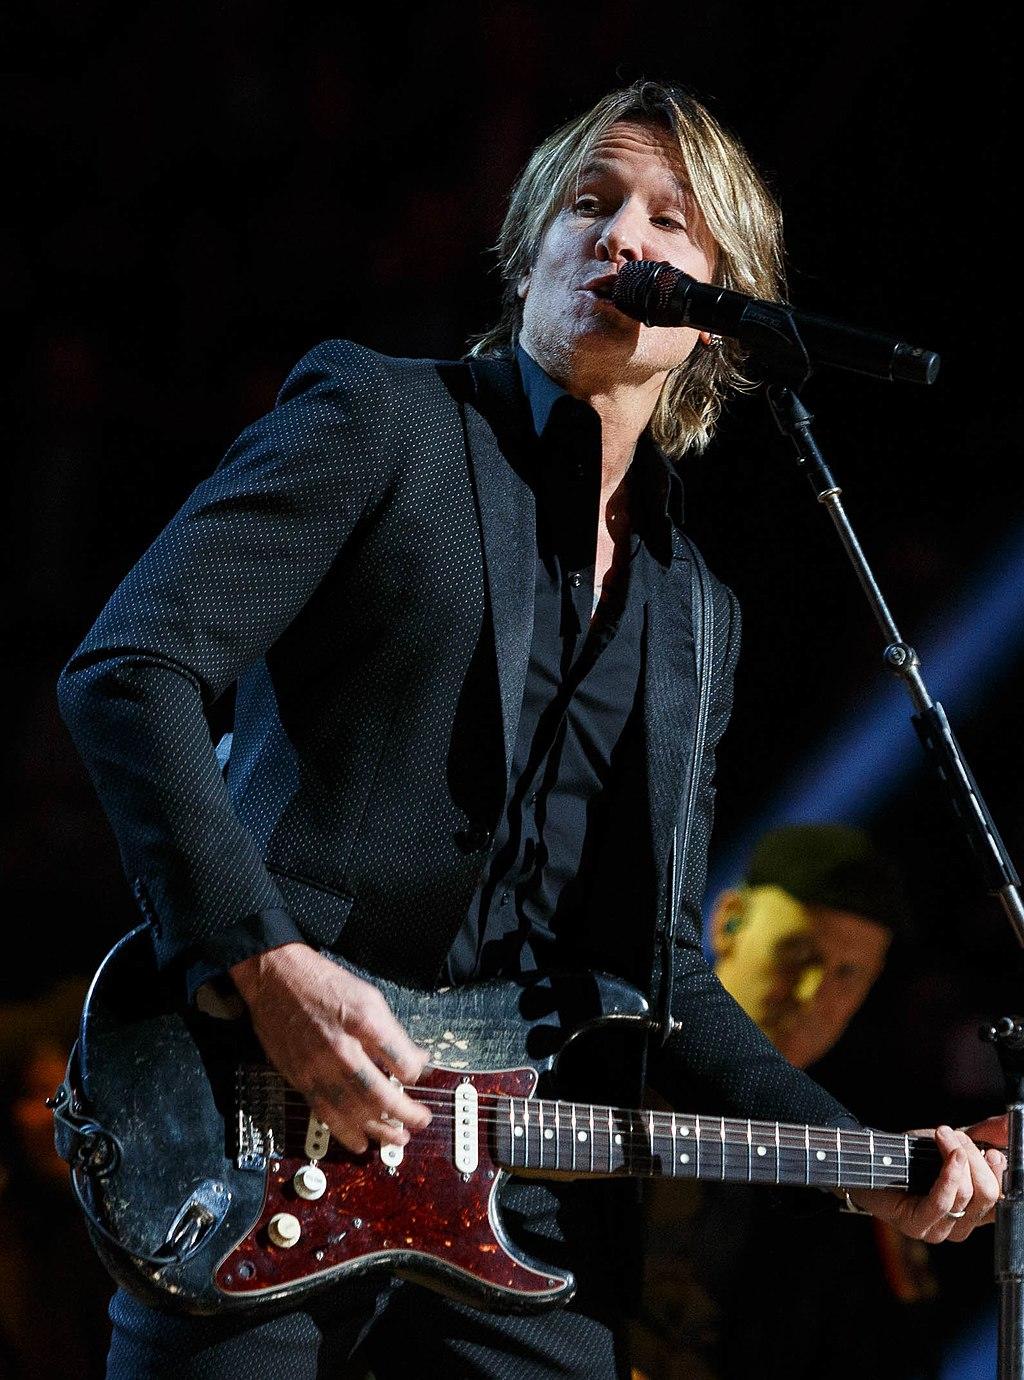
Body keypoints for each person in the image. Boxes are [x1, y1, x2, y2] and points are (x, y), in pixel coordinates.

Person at [54, 79, 1004, 1380]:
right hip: (255, 1129)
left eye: (670, 220)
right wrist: (264, 965)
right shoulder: (383, 421)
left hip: (507, 1206)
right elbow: (130, 666)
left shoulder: (696, 612)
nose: (621, 234)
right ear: (527, 253)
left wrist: (870, 1161)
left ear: (720, 310)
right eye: (589, 202)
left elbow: (664, 973)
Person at [634, 822, 947, 1379]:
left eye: (848, 975)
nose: (812, 995)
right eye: (796, 952)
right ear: (728, 921)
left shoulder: (856, 1164)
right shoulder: (606, 1074)